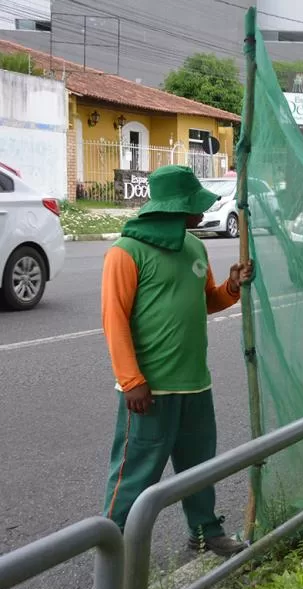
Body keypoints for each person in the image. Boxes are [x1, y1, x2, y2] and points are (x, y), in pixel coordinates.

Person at [101, 165, 253, 556]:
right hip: (150, 389)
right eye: (193, 205)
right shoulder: (125, 252)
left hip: (195, 384)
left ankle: (205, 531)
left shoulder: (194, 247)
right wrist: (131, 380)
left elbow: (206, 301)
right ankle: (112, 545)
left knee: (199, 468)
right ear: (173, 208)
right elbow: (113, 318)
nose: (201, 212)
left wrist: (231, 287)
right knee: (134, 475)